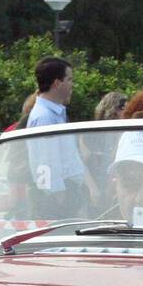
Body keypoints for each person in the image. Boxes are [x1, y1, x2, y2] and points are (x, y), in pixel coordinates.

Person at [24, 56, 87, 216]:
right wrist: (59, 196)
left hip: (66, 192)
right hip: (58, 198)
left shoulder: (55, 114)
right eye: (69, 79)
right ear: (57, 83)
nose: (72, 85)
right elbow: (46, 162)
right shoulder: (45, 117)